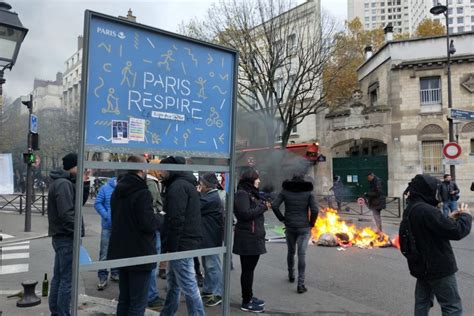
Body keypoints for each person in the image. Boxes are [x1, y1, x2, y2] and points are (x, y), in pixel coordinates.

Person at [401, 174, 472, 315]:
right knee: (452, 306)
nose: (436, 193)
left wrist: (448, 218)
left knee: (423, 302)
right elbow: (456, 231)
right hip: (438, 266)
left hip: (421, 265)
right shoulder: (427, 210)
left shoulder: (411, 209)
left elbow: (430, 228)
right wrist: (466, 216)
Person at [107, 155, 160, 316]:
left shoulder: (118, 190)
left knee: (125, 299)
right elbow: (148, 224)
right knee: (138, 303)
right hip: (140, 252)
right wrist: (161, 218)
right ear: (142, 169)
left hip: (122, 251)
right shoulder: (142, 192)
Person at [159, 156, 205, 316]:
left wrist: (171, 246)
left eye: (163, 169)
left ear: (170, 170)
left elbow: (176, 219)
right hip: (185, 240)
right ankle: (167, 312)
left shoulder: (177, 187)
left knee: (188, 285)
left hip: (181, 243)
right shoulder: (184, 184)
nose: (160, 172)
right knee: (174, 282)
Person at [47, 153, 90, 316]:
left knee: (59, 277)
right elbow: (67, 213)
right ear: (74, 166)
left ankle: (56, 312)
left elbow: (78, 203)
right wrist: (76, 231)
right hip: (66, 237)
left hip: (61, 236)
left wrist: (85, 183)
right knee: (67, 280)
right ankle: (63, 313)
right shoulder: (63, 184)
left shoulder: (63, 182)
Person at [272, 172, 319, 294]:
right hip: (304, 227)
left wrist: (282, 219)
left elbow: (274, 205)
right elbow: (315, 210)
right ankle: (301, 284)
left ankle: (291, 274)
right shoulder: (308, 192)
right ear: (303, 180)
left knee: (291, 252)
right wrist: (311, 223)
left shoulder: (285, 191)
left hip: (290, 226)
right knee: (302, 254)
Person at [233, 167, 271, 313]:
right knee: (247, 271)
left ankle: (249, 296)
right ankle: (246, 301)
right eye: (257, 178)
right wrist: (262, 208)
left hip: (254, 236)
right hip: (247, 238)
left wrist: (263, 203)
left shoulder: (249, 193)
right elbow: (244, 214)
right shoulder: (242, 194)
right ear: (250, 180)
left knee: (249, 270)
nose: (259, 181)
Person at [198, 172, 224, 307]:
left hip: (211, 236)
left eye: (201, 183)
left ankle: (217, 293)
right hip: (209, 235)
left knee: (212, 266)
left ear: (207, 185)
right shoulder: (209, 195)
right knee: (209, 265)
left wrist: (196, 194)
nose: (199, 185)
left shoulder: (211, 198)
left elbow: (196, 205)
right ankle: (209, 291)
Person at [146, 158, 166, 310]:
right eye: (160, 169)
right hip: (154, 228)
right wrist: (161, 212)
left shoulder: (153, 181)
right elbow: (155, 205)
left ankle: (150, 294)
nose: (162, 172)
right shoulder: (151, 183)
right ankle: (151, 296)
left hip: (150, 229)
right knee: (152, 263)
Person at [94, 177, 119, 290]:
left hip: (120, 226)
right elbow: (98, 203)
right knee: (104, 252)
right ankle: (102, 276)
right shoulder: (105, 188)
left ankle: (115, 272)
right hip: (108, 226)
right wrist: (106, 215)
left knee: (117, 251)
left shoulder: (123, 187)